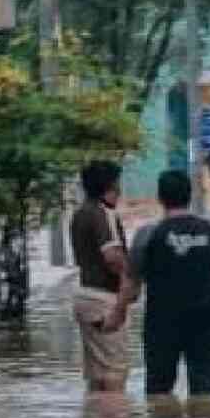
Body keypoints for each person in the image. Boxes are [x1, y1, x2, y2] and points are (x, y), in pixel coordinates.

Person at [113, 168, 210, 402]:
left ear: (160, 197)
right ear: (190, 195)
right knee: (205, 384)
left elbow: (131, 282)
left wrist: (119, 311)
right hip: (207, 313)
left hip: (163, 316)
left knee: (159, 386)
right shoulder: (209, 230)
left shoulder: (148, 234)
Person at [67, 160, 130, 393]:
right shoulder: (105, 214)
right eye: (118, 183)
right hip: (105, 299)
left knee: (96, 374)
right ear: (111, 185)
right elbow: (112, 257)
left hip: (84, 296)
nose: (120, 189)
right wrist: (128, 285)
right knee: (115, 372)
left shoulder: (80, 214)